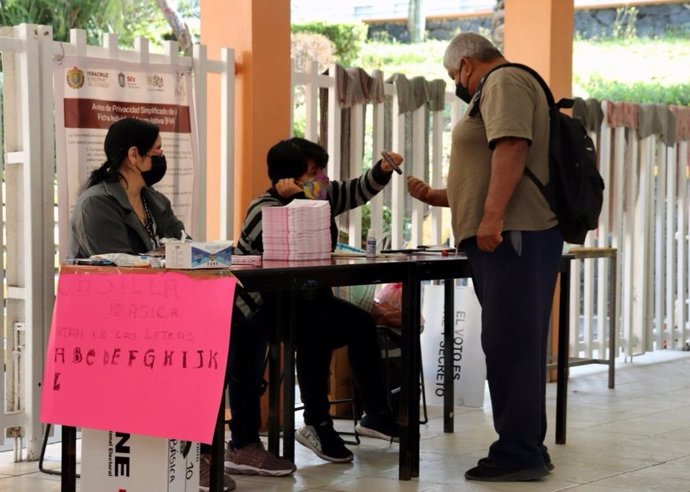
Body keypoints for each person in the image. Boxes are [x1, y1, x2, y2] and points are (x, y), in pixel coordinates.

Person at [68, 118, 296, 492]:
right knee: (206, 341)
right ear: (133, 155)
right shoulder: (97, 204)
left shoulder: (154, 200)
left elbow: (184, 246)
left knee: (249, 325)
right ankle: (197, 453)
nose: (161, 157)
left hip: (168, 306)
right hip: (119, 321)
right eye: (156, 151)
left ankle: (242, 442)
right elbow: (119, 271)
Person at [407, 33, 562, 482]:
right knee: (515, 342)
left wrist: (491, 219)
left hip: (514, 234)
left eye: (454, 75)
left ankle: (518, 453)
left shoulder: (503, 82)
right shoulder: (501, 85)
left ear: (467, 65)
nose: (458, 83)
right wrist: (439, 195)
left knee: (510, 343)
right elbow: (486, 170)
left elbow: (512, 147)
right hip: (512, 234)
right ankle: (527, 445)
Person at [233, 137, 401, 464]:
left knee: (361, 322)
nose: (323, 178)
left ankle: (376, 413)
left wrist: (382, 170)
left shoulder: (318, 196)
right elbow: (277, 266)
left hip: (306, 299)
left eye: (322, 170)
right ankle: (316, 424)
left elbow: (355, 189)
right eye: (315, 171)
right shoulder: (263, 209)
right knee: (315, 330)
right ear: (289, 177)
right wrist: (296, 204)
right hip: (261, 308)